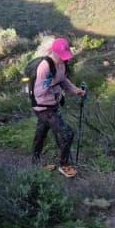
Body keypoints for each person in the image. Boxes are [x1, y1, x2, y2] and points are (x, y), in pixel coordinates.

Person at [30, 36, 86, 178]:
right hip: (43, 107)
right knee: (66, 133)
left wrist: (75, 90)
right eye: (62, 55)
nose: (64, 58)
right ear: (54, 52)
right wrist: (56, 91)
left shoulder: (61, 64)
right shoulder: (45, 67)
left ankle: (35, 163)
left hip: (52, 105)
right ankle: (63, 164)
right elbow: (40, 91)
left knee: (41, 134)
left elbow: (63, 79)